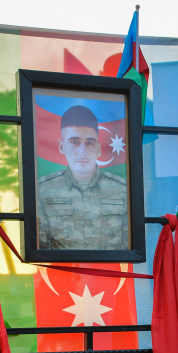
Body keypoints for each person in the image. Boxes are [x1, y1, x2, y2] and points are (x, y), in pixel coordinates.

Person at [37, 104, 129, 251]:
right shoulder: (43, 190)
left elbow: (128, 247)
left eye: (89, 143)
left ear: (99, 148)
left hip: (110, 267)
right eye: (74, 142)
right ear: (61, 146)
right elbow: (40, 250)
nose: (82, 152)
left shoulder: (122, 190)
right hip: (63, 267)